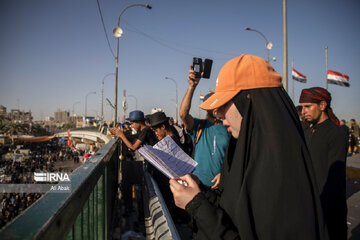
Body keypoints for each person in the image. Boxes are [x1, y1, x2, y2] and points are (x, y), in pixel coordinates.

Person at [169, 54, 327, 239]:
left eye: (224, 103)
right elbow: (233, 211)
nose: (218, 113)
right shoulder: (242, 150)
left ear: (249, 102)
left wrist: (197, 206)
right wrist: (200, 193)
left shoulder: (280, 170)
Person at [299, 87, 347, 240]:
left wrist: (320, 206)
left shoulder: (336, 133)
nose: (303, 111)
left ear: (322, 105)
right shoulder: (306, 131)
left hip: (328, 208)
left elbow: (334, 177)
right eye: (302, 107)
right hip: (308, 205)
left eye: (308, 106)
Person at [180, 71, 229, 188]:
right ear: (207, 109)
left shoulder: (229, 127)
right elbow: (183, 114)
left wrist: (225, 175)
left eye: (218, 103)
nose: (217, 107)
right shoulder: (199, 126)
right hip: (198, 185)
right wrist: (192, 86)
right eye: (212, 105)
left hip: (221, 187)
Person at [110, 110, 157, 213]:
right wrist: (119, 134)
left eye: (132, 123)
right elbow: (132, 138)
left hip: (153, 166)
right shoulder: (142, 132)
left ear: (139, 122)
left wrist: (121, 135)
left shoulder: (146, 131)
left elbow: (133, 147)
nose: (131, 126)